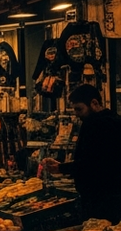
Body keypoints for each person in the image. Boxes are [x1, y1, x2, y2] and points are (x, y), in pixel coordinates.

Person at [47, 85, 121, 221]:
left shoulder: (97, 124)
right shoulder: (113, 119)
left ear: (94, 103)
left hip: (100, 197)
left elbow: (93, 163)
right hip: (109, 195)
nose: (76, 113)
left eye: (79, 109)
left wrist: (62, 168)